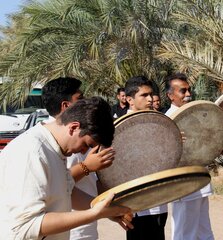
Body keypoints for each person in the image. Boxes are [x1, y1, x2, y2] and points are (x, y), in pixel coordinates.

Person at [0, 97, 133, 240]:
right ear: (74, 127)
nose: (84, 152)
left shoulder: (55, 148)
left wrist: (106, 210)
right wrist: (94, 214)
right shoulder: (32, 152)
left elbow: (67, 190)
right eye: (87, 145)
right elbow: (26, 226)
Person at [42, 77, 116, 239]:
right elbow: (29, 224)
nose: (85, 102)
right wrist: (86, 167)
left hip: (85, 225)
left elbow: (68, 189)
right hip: (71, 228)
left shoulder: (80, 134)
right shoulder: (42, 147)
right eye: (80, 99)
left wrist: (105, 210)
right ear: (66, 106)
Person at [165, 73, 215, 240]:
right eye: (183, 91)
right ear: (170, 95)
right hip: (183, 185)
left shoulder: (196, 115)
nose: (188, 95)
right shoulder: (166, 120)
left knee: (204, 231)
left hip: (200, 180)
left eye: (189, 90)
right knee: (184, 234)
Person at [124, 76, 168, 240]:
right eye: (144, 95)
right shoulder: (122, 128)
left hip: (158, 203)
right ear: (130, 100)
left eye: (151, 94)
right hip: (136, 206)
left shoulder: (157, 122)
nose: (150, 99)